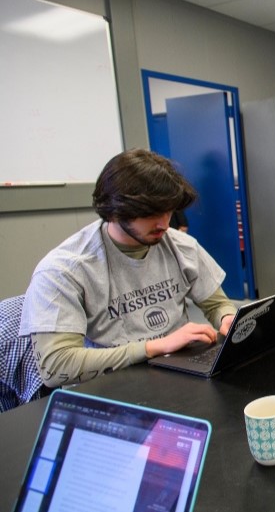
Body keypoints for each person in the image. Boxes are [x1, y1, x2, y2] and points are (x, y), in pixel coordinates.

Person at [20, 149, 237, 388]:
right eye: (150, 213)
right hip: (113, 387)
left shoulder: (180, 246)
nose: (164, 223)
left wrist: (227, 318)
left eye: (168, 211)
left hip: (177, 375)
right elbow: (56, 367)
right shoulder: (65, 270)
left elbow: (216, 304)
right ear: (113, 210)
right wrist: (154, 347)